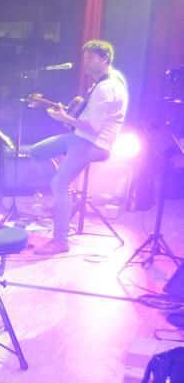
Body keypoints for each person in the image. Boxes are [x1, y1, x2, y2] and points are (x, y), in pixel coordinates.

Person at [27, 39, 129, 255]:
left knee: (59, 184)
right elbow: (88, 120)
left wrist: (66, 118)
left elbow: (93, 128)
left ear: (105, 59)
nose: (85, 62)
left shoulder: (105, 87)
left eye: (90, 57)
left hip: (93, 142)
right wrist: (64, 116)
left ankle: (61, 241)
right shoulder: (105, 82)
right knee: (36, 152)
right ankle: (62, 194)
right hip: (80, 137)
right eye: (84, 57)